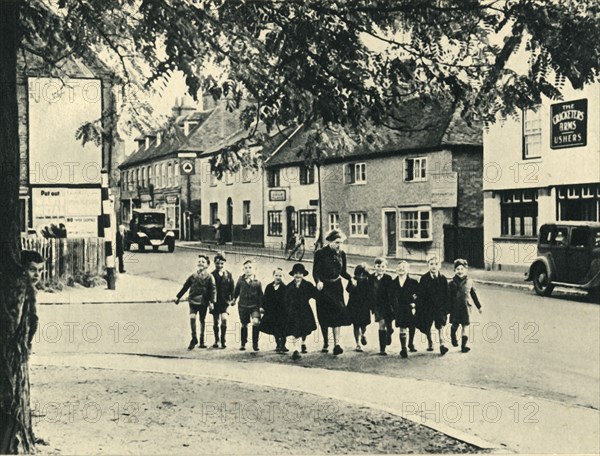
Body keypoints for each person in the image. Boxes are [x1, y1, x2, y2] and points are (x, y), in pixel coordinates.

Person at [312, 229, 354, 355]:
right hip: (324, 287)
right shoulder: (320, 253)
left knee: (337, 314)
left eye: (341, 242)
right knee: (323, 314)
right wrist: (318, 281)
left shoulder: (342, 254)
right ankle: (326, 342)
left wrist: (351, 278)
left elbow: (343, 272)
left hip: (336, 287)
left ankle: (337, 344)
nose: (339, 245)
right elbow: (315, 272)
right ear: (330, 241)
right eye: (336, 242)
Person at [174, 254, 216, 350]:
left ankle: (201, 340)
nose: (201, 263)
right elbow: (185, 287)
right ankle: (194, 338)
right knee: (192, 317)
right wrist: (178, 297)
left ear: (207, 265)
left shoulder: (210, 277)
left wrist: (212, 302)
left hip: (203, 302)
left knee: (202, 320)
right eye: (199, 261)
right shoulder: (193, 276)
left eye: (203, 262)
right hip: (192, 300)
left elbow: (213, 290)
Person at [418, 257, 450, 356]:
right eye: (431, 264)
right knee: (427, 326)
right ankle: (430, 342)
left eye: (436, 264)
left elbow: (447, 294)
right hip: (427, 307)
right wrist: (420, 307)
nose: (434, 266)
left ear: (439, 266)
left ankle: (442, 344)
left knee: (440, 325)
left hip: (439, 307)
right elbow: (421, 294)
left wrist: (446, 307)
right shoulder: (424, 278)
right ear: (428, 265)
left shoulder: (443, 278)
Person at [285, 263, 318, 360]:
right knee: (295, 331)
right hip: (293, 311)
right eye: (296, 273)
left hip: (305, 311)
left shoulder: (308, 285)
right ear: (293, 275)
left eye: (300, 273)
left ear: (303, 275)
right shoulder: (289, 286)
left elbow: (316, 295)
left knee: (305, 330)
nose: (298, 275)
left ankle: (303, 343)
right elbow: (285, 300)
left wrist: (319, 289)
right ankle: (295, 350)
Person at [449, 259, 482, 353]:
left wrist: (479, 306)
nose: (460, 271)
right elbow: (448, 297)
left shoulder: (469, 282)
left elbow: (473, 294)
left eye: (462, 269)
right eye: (458, 269)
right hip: (455, 308)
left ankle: (464, 346)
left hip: (466, 308)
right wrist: (447, 308)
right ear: (455, 270)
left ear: (466, 270)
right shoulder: (451, 283)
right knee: (455, 325)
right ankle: (452, 334)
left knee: (465, 326)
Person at [389, 261, 420, 358]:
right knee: (402, 327)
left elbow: (417, 295)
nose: (401, 269)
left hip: (410, 307)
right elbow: (390, 296)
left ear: (408, 270)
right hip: (399, 308)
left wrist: (414, 303)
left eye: (403, 267)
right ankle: (403, 348)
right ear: (396, 270)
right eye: (399, 267)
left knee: (411, 326)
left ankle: (410, 343)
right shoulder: (393, 283)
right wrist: (393, 307)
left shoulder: (413, 282)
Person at [232, 259, 264, 351]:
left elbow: (261, 296)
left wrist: (261, 307)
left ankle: (255, 343)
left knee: (256, 322)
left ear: (254, 269)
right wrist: (234, 299)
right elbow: (236, 291)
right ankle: (243, 343)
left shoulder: (257, 282)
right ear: (243, 269)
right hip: (243, 306)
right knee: (244, 324)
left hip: (254, 307)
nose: (248, 269)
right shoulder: (240, 280)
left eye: (250, 267)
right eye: (246, 268)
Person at [260, 267, 289, 353]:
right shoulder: (269, 287)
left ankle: (283, 344)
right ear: (273, 276)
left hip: (282, 312)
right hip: (272, 312)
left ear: (283, 277)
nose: (278, 277)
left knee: (283, 328)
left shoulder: (285, 288)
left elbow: (288, 300)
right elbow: (265, 298)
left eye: (280, 275)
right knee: (275, 328)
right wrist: (262, 307)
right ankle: (278, 344)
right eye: (276, 275)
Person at [369, 257, 394, 356]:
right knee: (381, 324)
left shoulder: (388, 278)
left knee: (389, 324)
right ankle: (382, 349)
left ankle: (390, 331)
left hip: (387, 305)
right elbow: (369, 291)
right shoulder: (371, 278)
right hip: (377, 306)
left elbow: (391, 293)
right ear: (374, 267)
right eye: (378, 266)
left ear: (386, 268)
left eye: (383, 266)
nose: (380, 268)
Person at [21, 250, 44, 351]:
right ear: (23, 270)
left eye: (40, 270)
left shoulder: (31, 292)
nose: (37, 275)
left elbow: (33, 321)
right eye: (32, 269)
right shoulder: (17, 292)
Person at [211, 253, 235, 349]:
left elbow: (232, 287)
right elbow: (210, 289)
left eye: (221, 263)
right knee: (216, 321)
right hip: (216, 301)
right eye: (217, 263)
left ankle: (223, 339)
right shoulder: (212, 275)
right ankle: (216, 340)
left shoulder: (228, 274)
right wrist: (211, 302)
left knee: (224, 319)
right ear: (214, 263)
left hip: (224, 301)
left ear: (224, 263)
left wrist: (232, 298)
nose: (219, 265)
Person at [346, 263, 371, 352]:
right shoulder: (353, 280)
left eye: (363, 274)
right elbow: (348, 290)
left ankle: (363, 334)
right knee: (356, 325)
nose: (361, 276)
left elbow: (370, 293)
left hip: (364, 305)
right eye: (359, 274)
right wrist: (352, 284)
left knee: (363, 325)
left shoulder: (368, 281)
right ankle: (357, 344)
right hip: (354, 305)